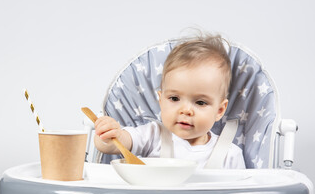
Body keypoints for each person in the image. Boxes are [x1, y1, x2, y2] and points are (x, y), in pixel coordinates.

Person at [94, 33, 245, 169]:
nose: (186, 110)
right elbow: (117, 146)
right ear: (161, 100)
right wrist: (110, 136)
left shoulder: (230, 155)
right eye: (174, 98)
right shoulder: (153, 136)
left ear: (219, 110)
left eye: (200, 102)